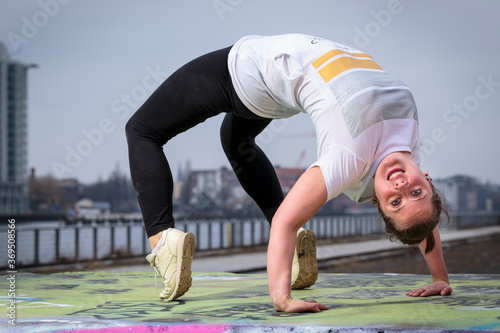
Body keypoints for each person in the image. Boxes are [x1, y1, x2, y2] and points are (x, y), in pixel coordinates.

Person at [126, 33, 452, 312]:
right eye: (415, 191)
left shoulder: (348, 157)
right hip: (277, 89)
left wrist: (281, 298)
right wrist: (440, 278)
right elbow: (423, 219)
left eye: (394, 201)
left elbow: (286, 219)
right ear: (428, 180)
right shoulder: (408, 149)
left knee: (142, 131)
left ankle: (163, 243)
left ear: (378, 202)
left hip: (250, 71)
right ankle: (293, 250)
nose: (401, 185)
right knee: (235, 140)